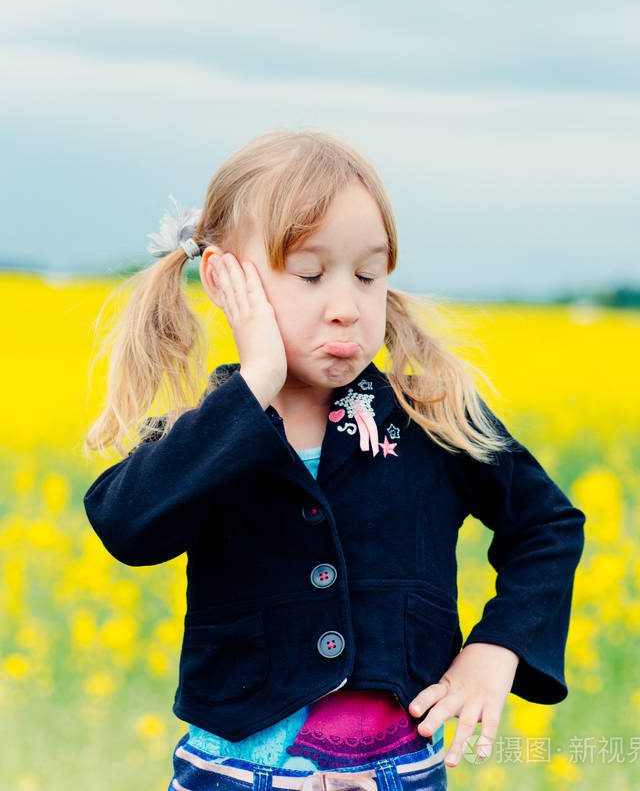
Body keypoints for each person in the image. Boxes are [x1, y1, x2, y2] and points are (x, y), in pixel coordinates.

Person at [82, 129, 586, 791]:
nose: (347, 307)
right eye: (312, 274)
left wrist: (495, 649)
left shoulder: (424, 413)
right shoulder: (206, 429)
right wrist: (256, 379)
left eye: (368, 274)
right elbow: (126, 525)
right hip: (233, 772)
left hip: (398, 771)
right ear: (225, 280)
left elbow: (546, 524)